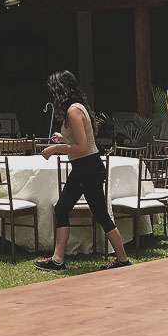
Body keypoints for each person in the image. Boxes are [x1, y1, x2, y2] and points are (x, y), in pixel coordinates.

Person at [35, 71, 129, 272]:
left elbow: (83, 147)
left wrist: (55, 149)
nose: (52, 93)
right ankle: (57, 260)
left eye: (53, 89)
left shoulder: (73, 111)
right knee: (62, 208)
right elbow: (80, 142)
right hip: (82, 168)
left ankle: (122, 259)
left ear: (61, 89)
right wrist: (63, 139)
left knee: (100, 215)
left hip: (88, 168)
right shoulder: (76, 108)